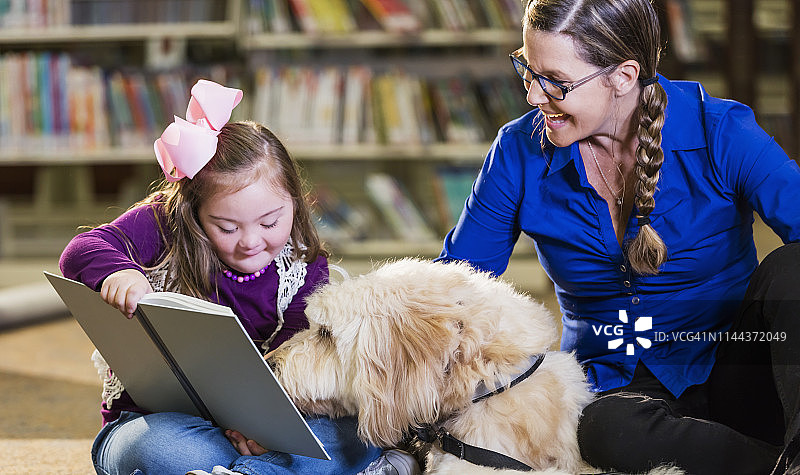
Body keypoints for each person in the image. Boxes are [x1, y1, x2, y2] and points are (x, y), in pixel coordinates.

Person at [436, 0, 800, 473]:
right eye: (527, 70)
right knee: (605, 431)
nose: (533, 96)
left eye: (556, 82)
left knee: (793, 268)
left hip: (737, 370)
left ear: (623, 77)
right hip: (616, 392)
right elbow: (455, 289)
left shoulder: (720, 130)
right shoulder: (517, 150)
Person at [60, 79, 415, 475]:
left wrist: (264, 427)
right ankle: (277, 471)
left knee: (355, 433)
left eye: (270, 221)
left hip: (269, 430)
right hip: (164, 422)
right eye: (227, 227)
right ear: (194, 211)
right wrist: (119, 272)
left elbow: (298, 367)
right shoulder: (161, 222)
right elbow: (81, 250)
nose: (250, 242)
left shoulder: (304, 271)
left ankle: (255, 470)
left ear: (295, 203)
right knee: (154, 451)